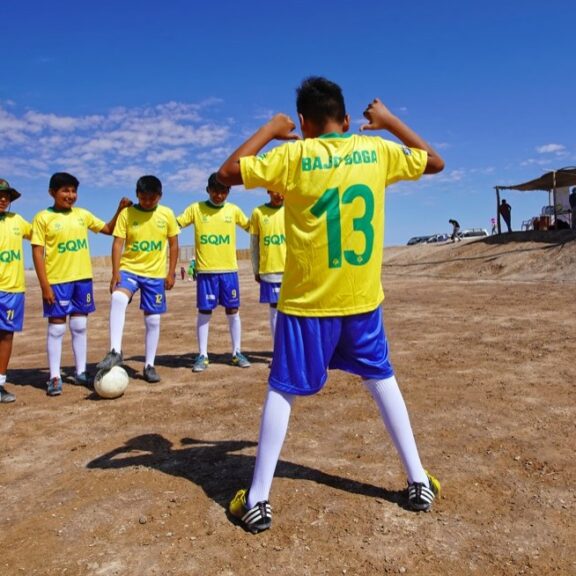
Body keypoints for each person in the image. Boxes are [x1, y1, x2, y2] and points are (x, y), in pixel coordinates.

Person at [217, 76, 445, 533]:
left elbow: (227, 173)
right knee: (381, 379)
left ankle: (259, 498)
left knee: (283, 387)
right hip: (361, 301)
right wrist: (388, 121)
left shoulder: (294, 155)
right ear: (346, 119)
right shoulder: (376, 152)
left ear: (303, 122)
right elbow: (436, 162)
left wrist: (270, 129)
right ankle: (418, 479)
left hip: (307, 304)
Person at [31, 172, 131, 397]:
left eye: (73, 191)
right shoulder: (43, 218)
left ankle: (81, 372)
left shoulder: (82, 215)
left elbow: (107, 229)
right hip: (57, 281)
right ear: (52, 193)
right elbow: (37, 252)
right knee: (57, 328)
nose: (70, 195)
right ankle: (55, 377)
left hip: (82, 279)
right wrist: (45, 286)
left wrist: (120, 210)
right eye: (65, 190)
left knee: (79, 327)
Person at [96, 175, 179, 383]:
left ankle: (149, 364)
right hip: (129, 269)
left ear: (160, 196)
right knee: (118, 298)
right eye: (143, 197)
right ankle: (115, 351)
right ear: (137, 195)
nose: (148, 201)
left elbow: (174, 245)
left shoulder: (167, 214)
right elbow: (117, 244)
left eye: (152, 198)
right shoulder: (127, 214)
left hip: (154, 274)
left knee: (153, 319)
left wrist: (171, 272)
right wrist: (115, 273)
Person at [176, 173, 251, 372]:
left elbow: (251, 226)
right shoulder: (196, 209)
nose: (219, 195)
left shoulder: (233, 210)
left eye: (223, 191)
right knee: (204, 311)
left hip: (229, 271)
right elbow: (175, 224)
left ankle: (236, 352)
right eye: (215, 191)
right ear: (208, 190)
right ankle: (202, 355)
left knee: (233, 310)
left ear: (228, 191)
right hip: (206, 272)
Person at [0, 179, 32, 403]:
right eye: (0, 195)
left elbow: (41, 236)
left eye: (7, 196)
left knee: (5, 336)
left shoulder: (17, 221)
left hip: (12, 289)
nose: (3, 199)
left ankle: (0, 384)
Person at [249, 190, 286, 344]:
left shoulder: (292, 209)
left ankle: (295, 352)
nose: (280, 195)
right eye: (276, 190)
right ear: (268, 190)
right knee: (275, 308)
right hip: (270, 270)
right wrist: (256, 269)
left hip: (292, 270)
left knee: (295, 311)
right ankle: (278, 351)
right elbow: (254, 244)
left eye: (282, 190)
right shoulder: (258, 213)